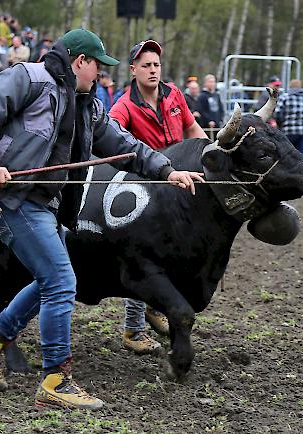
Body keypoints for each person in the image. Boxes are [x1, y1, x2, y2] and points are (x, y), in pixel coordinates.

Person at [0, 28, 203, 411]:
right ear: (80, 61)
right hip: (11, 199)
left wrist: (167, 171)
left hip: (44, 205)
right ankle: (56, 380)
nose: (102, 76)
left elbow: (125, 146)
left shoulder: (88, 105)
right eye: (98, 67)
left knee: (51, 278)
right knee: (61, 281)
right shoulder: (28, 77)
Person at [108, 39, 207, 354]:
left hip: (181, 183)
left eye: (156, 65)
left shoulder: (175, 94)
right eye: (146, 65)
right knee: (144, 253)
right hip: (146, 188)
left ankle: (157, 307)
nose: (152, 70)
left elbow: (192, 130)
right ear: (133, 69)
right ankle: (134, 329)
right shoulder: (123, 106)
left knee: (177, 251)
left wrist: (210, 154)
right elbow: (110, 141)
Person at [274, 79, 303, 158]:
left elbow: (277, 114)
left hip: (288, 131)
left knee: (287, 155)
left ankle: (287, 170)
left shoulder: (284, 98)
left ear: (290, 87)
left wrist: (280, 125)